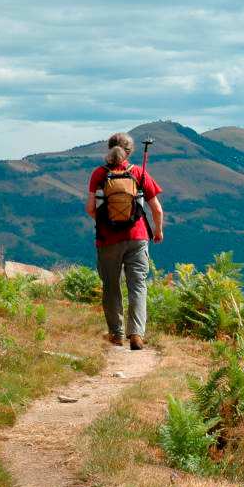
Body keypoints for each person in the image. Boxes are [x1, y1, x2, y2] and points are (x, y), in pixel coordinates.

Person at [85, 132, 164, 350]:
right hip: (138, 237)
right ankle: (137, 334)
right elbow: (156, 209)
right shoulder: (139, 172)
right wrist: (157, 232)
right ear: (129, 152)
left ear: (109, 149)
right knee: (137, 286)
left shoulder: (99, 174)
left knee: (111, 286)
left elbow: (91, 208)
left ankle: (116, 334)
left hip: (107, 239)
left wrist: (106, 222)